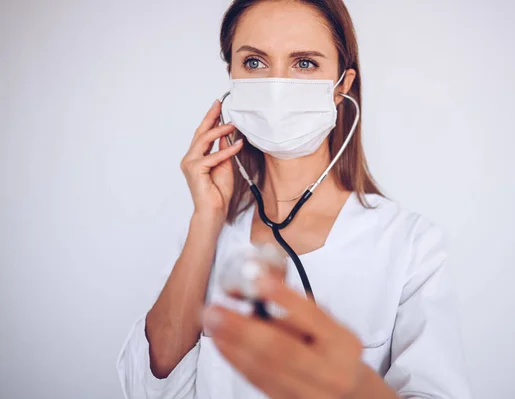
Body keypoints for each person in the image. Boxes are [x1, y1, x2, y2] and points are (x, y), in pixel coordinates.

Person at [117, 0, 471, 398]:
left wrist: (355, 387)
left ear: (342, 86)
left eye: (304, 63)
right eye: (254, 63)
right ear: (231, 77)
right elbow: (147, 388)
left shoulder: (410, 245)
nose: (277, 86)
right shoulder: (206, 231)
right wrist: (207, 217)